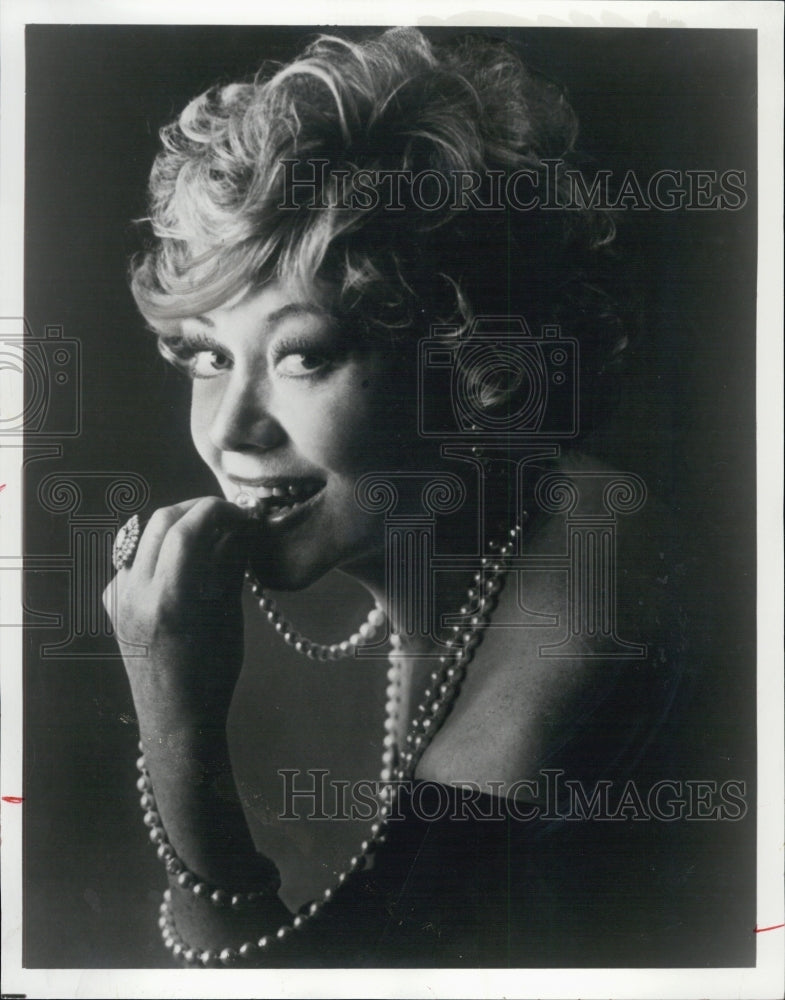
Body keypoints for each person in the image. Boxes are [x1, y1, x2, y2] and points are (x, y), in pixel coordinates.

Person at [104, 27, 718, 968]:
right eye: (208, 356)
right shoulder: (480, 547)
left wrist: (173, 726)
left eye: (303, 354)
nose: (231, 431)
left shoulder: (589, 587)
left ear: (470, 359)